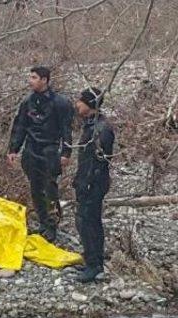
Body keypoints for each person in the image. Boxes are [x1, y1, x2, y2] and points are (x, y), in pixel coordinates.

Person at [7, 66, 74, 242]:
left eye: (34, 77)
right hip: (31, 149)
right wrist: (13, 149)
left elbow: (67, 130)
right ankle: (43, 222)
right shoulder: (27, 101)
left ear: (44, 80)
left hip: (50, 150)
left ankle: (52, 225)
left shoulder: (61, 103)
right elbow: (20, 126)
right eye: (30, 77)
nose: (31, 81)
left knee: (50, 189)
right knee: (35, 189)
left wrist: (66, 152)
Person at [72, 87, 115, 283]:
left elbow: (99, 160)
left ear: (89, 104)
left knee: (88, 222)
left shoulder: (101, 129)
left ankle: (94, 265)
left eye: (80, 101)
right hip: (86, 181)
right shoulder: (91, 125)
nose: (77, 104)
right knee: (86, 221)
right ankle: (93, 260)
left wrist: (88, 182)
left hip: (93, 183)